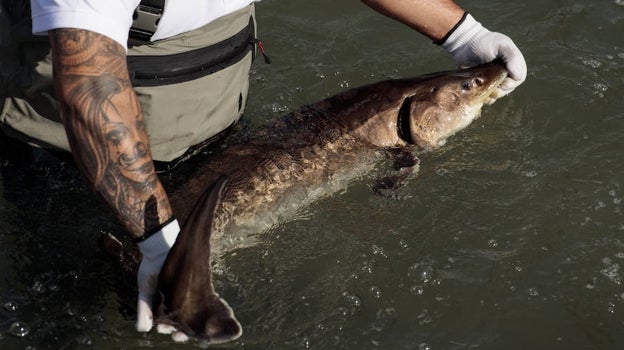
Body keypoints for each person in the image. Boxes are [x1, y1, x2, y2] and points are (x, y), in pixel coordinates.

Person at [0, 0, 526, 342]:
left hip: (214, 110)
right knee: (72, 309)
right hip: (74, 144)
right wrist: (161, 240)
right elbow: (91, 88)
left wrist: (462, 34)